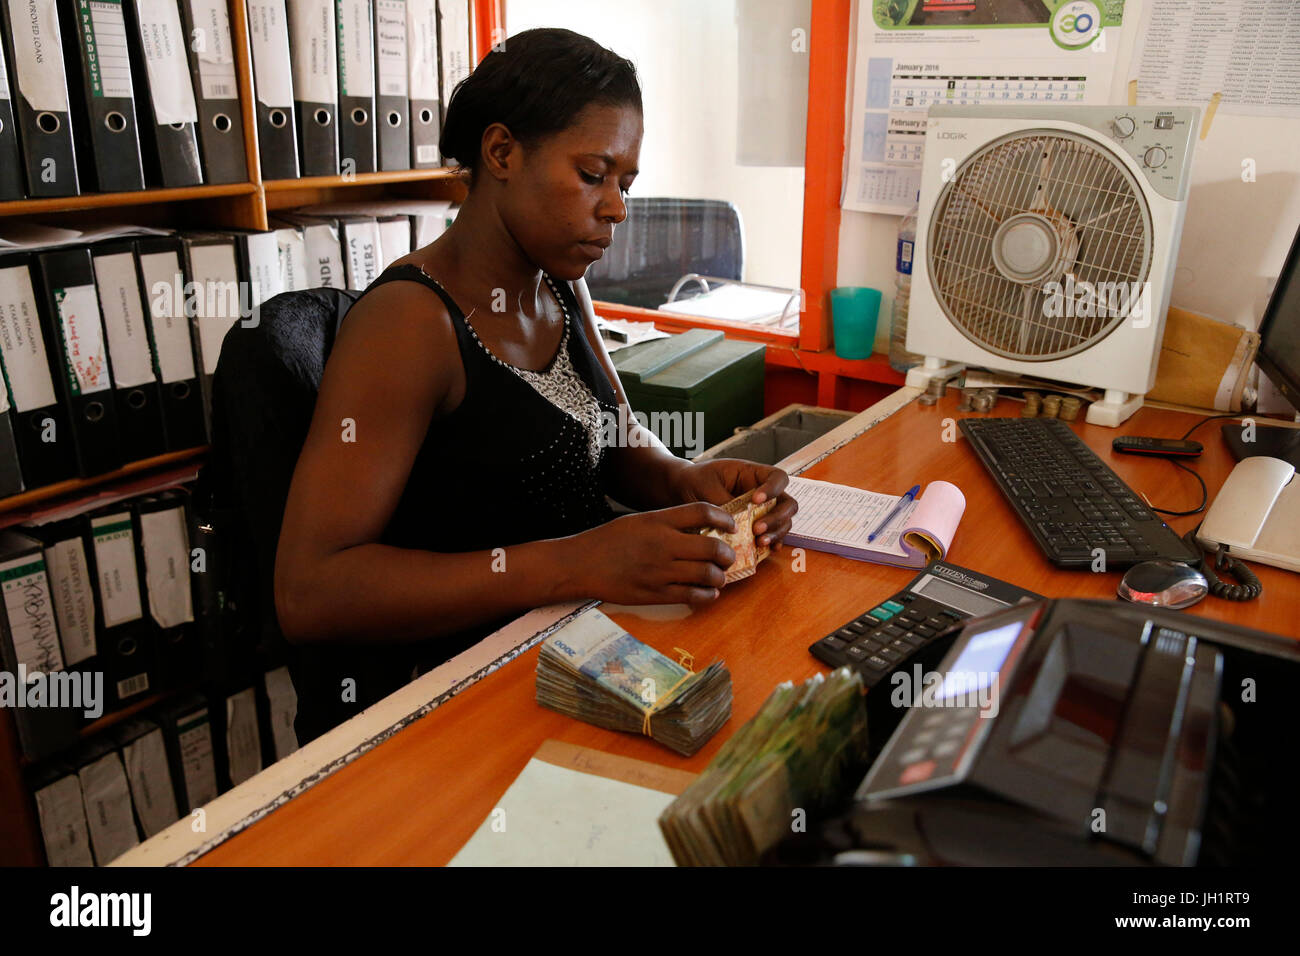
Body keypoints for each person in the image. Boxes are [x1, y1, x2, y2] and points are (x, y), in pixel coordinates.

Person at [273, 28, 798, 744]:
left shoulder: (559, 282)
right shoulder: (409, 324)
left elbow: (612, 440)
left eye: (626, 183)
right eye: (593, 174)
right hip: (449, 698)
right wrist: (578, 562)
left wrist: (688, 483)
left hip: (569, 654)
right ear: (502, 154)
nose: (616, 208)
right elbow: (311, 592)